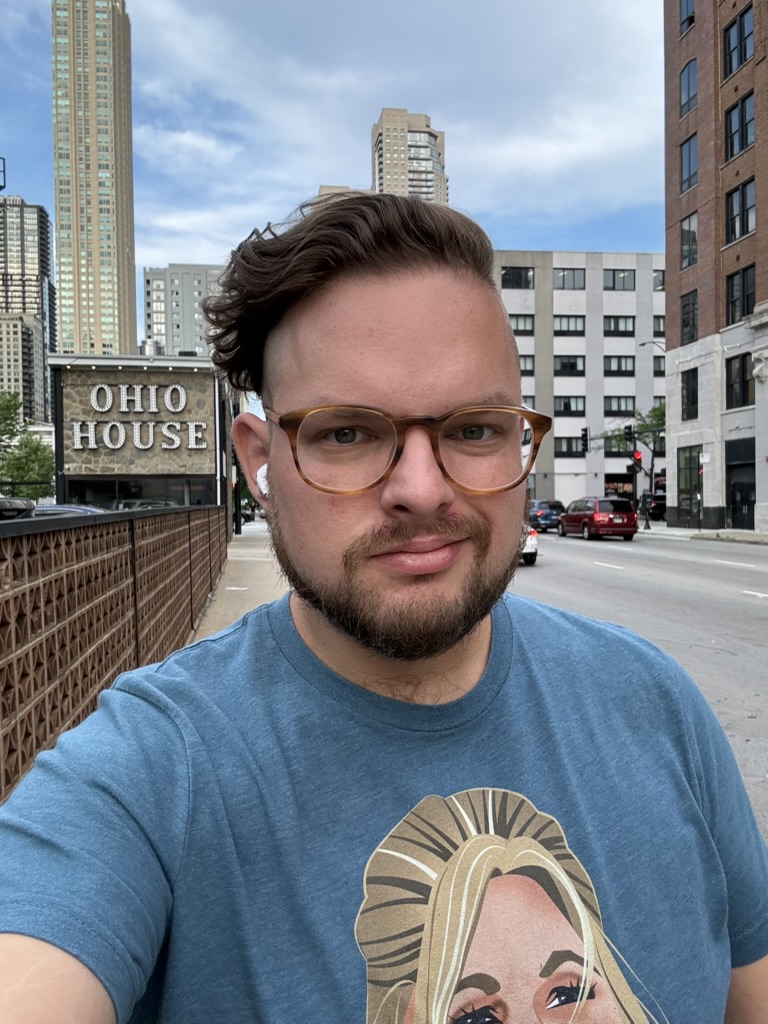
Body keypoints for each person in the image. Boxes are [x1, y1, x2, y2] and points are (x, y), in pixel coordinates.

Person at [0, 192, 766, 1024]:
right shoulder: (150, 775)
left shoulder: (655, 706)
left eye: (474, 429)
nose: (422, 490)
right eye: (347, 433)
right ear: (259, 464)